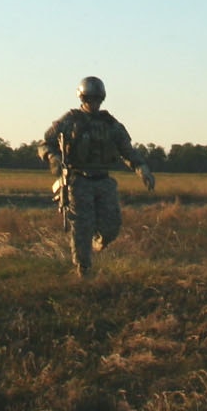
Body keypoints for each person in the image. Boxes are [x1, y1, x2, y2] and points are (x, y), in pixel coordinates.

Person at [40, 76, 155, 276]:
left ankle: (98, 244)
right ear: (82, 99)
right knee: (82, 228)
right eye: (88, 99)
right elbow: (45, 143)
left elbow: (126, 150)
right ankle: (83, 269)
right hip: (79, 181)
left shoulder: (110, 124)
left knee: (112, 227)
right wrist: (53, 157)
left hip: (104, 181)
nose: (92, 103)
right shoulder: (70, 121)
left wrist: (141, 168)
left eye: (96, 99)